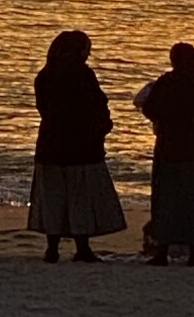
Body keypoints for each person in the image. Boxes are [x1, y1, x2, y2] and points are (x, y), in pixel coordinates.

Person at [27, 31, 126, 262]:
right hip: (81, 147)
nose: (88, 53)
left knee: (53, 199)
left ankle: (52, 249)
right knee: (79, 198)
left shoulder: (45, 75)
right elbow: (96, 104)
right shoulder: (82, 74)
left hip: (50, 146)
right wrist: (102, 127)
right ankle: (82, 249)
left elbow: (43, 108)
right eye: (86, 49)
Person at [141, 42, 194, 267]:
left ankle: (162, 251)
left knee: (166, 200)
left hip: (168, 148)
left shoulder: (166, 82)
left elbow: (148, 109)